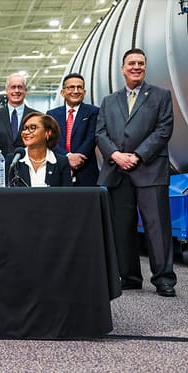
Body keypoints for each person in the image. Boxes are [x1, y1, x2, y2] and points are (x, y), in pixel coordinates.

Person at [95, 48, 176, 297]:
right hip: (117, 171)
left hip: (149, 169)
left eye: (141, 63)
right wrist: (116, 155)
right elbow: (100, 133)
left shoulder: (161, 96)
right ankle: (129, 276)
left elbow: (163, 130)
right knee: (122, 227)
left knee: (157, 228)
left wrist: (138, 155)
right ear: (123, 68)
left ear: (145, 67)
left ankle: (163, 279)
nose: (136, 67)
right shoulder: (110, 101)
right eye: (131, 63)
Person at [46, 73, 99, 186]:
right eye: (71, 87)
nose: (75, 91)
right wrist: (67, 157)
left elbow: (91, 138)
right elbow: (50, 140)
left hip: (86, 170)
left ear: (84, 92)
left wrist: (77, 159)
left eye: (79, 87)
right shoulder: (52, 114)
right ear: (63, 92)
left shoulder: (93, 112)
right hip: (59, 168)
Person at [5, 112, 71, 187]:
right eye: (24, 128)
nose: (26, 132)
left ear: (47, 132)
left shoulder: (61, 162)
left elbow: (67, 196)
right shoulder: (13, 160)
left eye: (32, 128)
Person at [0, 73, 40, 154]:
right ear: (7, 90)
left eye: (20, 87)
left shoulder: (37, 117)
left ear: (25, 91)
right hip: (1, 164)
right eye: (13, 87)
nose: (16, 90)